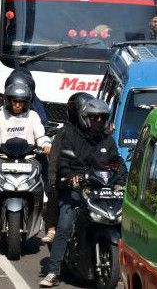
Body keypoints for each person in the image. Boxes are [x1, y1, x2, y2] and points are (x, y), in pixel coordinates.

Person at [40, 99, 126, 287]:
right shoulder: (70, 136)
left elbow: (117, 163)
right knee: (64, 224)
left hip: (102, 191)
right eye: (93, 117)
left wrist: (122, 178)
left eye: (101, 117)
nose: (98, 121)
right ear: (85, 118)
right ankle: (54, 271)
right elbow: (63, 164)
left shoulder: (107, 140)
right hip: (76, 191)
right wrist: (71, 178)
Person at [0, 82, 52, 204]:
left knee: (44, 161)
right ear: (8, 101)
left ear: (26, 103)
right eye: (14, 102)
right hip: (3, 158)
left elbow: (41, 135)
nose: (17, 105)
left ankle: (43, 190)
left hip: (28, 158)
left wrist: (46, 145)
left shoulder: (33, 116)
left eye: (21, 102)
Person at [41, 92, 95, 244]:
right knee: (55, 192)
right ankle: (52, 228)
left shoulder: (96, 133)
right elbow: (54, 158)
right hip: (68, 176)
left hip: (90, 177)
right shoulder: (64, 132)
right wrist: (53, 179)